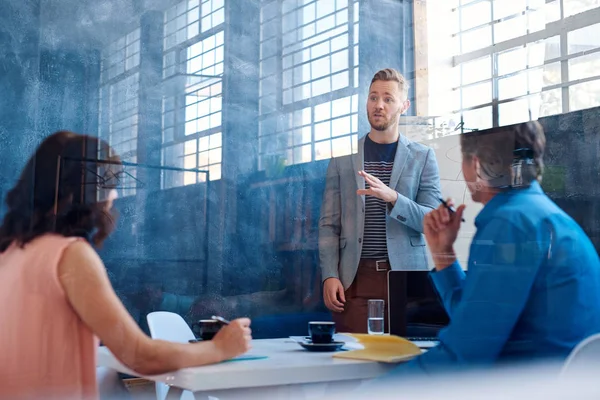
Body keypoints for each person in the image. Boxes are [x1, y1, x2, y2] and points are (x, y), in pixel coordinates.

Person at [0, 131, 252, 399]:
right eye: (111, 183)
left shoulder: (11, 252)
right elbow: (138, 355)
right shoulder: (70, 255)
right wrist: (221, 348)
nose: (115, 195)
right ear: (84, 188)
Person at [387, 121, 600, 376]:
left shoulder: (510, 224)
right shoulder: (542, 216)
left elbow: (463, 358)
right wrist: (443, 254)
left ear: (476, 165)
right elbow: (475, 324)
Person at [319, 68, 442, 333]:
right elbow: (329, 225)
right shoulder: (342, 158)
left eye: (388, 98)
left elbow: (433, 221)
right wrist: (329, 274)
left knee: (404, 366)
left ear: (404, 106)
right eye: (373, 97)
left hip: (408, 281)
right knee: (354, 362)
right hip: (354, 279)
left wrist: (393, 198)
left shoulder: (423, 157)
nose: (379, 105)